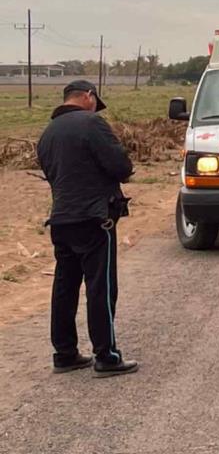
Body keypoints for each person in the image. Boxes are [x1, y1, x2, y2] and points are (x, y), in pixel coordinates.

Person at [36, 80, 139, 378]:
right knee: (101, 287)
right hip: (95, 219)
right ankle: (106, 356)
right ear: (88, 96)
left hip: (61, 219)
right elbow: (121, 166)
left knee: (65, 286)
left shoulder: (48, 133)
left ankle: (65, 353)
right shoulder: (92, 123)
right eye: (95, 100)